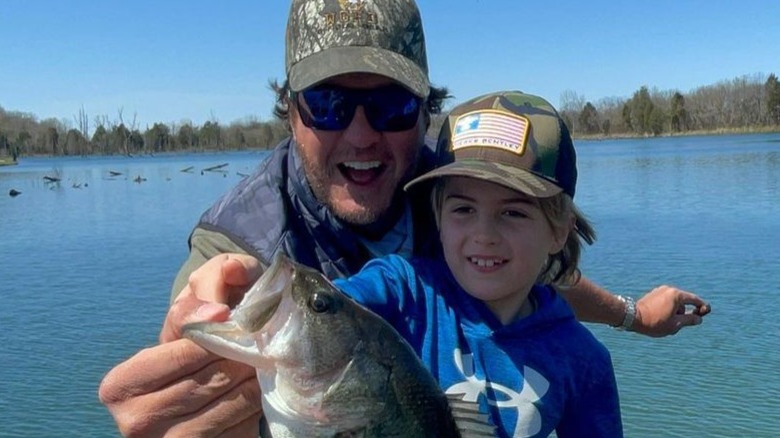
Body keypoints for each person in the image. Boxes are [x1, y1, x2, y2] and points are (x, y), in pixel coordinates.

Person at [98, 0, 710, 436]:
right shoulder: (243, 245)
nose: (363, 135)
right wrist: (191, 398)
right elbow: (295, 326)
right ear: (291, 114)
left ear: (424, 114)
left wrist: (633, 316)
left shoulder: (446, 184)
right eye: (330, 104)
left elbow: (532, 276)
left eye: (390, 105)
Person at [321, 90, 622, 436]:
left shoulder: (584, 360)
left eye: (513, 212)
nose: (484, 234)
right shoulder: (403, 291)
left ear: (558, 232)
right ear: (438, 217)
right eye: (463, 209)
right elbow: (325, 308)